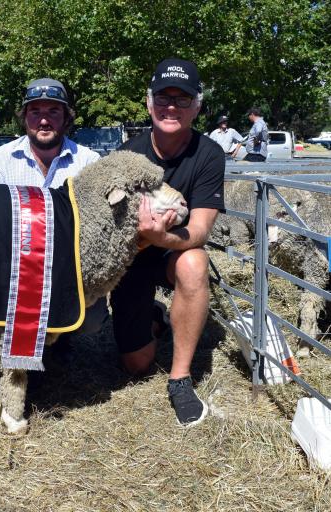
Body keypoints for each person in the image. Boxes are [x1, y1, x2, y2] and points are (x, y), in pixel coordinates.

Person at [111, 58, 225, 426]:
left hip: (176, 251)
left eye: (181, 99)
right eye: (163, 97)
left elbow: (201, 230)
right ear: (149, 103)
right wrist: (144, 237)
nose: (171, 107)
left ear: (197, 106)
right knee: (137, 366)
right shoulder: (126, 156)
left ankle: (180, 378)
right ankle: (158, 319)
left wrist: (161, 235)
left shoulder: (208, 154)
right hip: (132, 257)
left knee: (195, 262)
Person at [0, 77, 108, 339]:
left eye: (53, 111)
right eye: (35, 111)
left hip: (69, 270)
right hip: (15, 270)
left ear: (66, 117)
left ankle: (59, 340)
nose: (43, 120)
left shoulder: (89, 162)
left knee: (92, 319)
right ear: (24, 117)